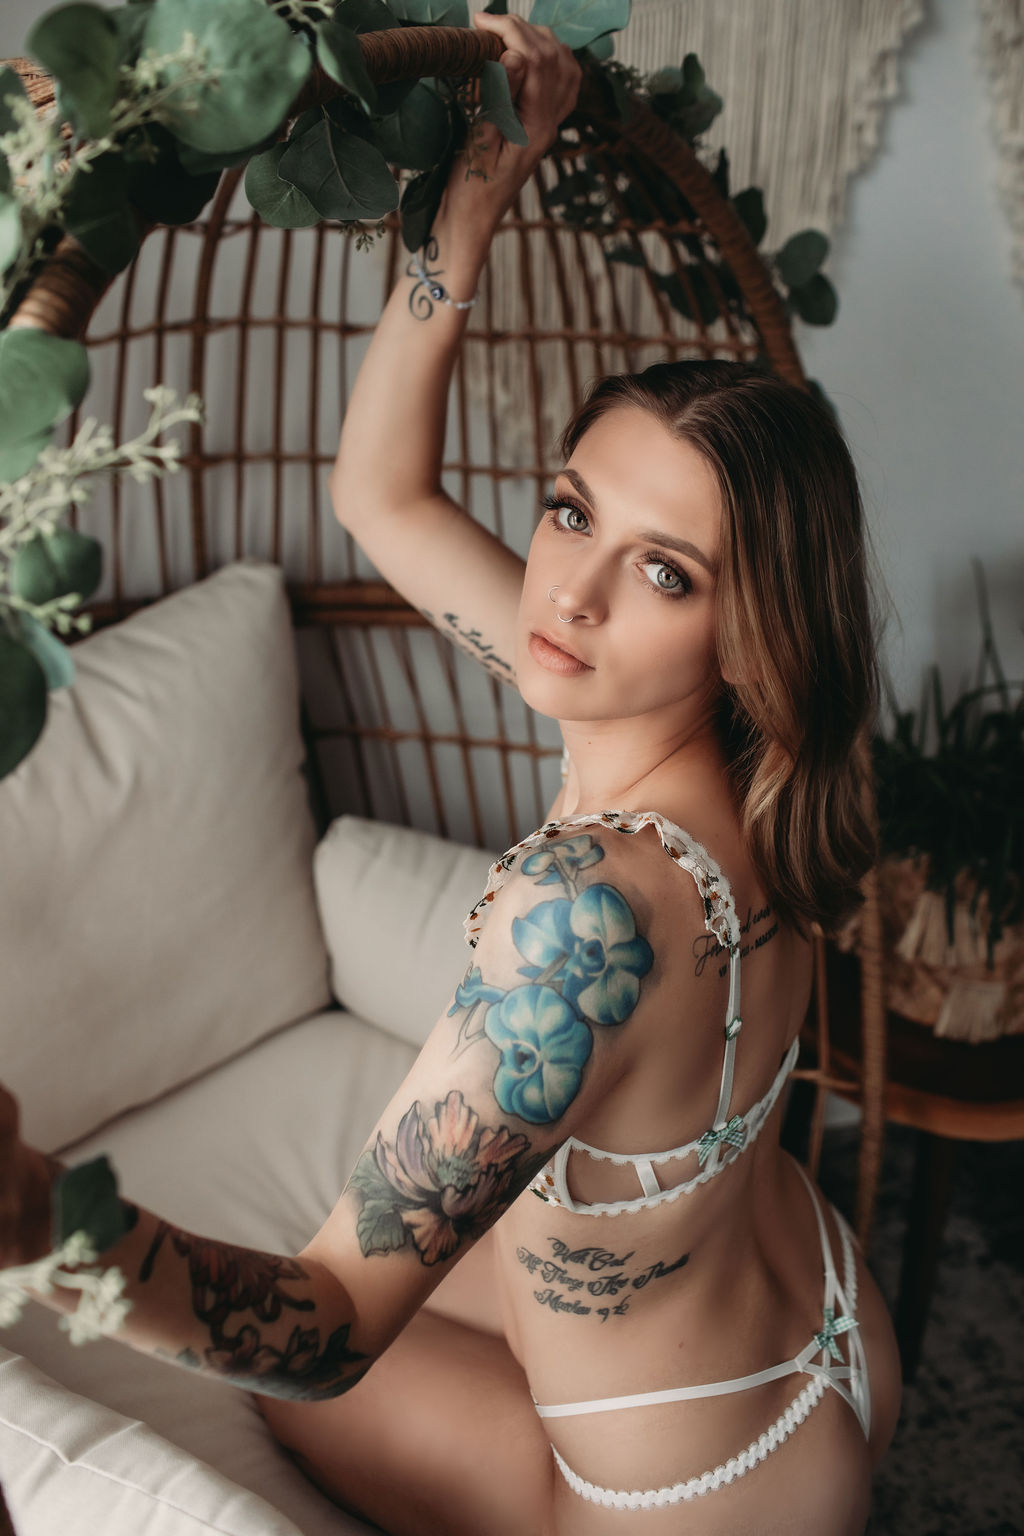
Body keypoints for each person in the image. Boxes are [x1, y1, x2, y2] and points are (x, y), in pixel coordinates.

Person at [0, 11, 901, 1534]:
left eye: (663, 571)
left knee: (262, 1381)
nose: (569, 595)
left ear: (750, 632)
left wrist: (46, 1231)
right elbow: (383, 496)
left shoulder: (582, 915)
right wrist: (465, 220)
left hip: (683, 1489)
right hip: (812, 1329)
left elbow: (324, 1328)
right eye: (568, 510)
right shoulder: (742, 755)